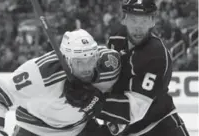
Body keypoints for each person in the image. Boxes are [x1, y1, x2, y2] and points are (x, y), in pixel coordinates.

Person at [0, 29, 121, 136]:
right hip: (36, 130)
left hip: (80, 128)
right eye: (79, 62)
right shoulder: (38, 73)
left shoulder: (109, 64)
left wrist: (108, 111)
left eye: (91, 59)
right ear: (66, 60)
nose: (87, 68)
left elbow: (125, 91)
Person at [81, 0, 190, 136]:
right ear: (124, 20)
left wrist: (89, 101)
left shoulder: (156, 55)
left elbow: (134, 110)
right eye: (133, 20)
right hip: (125, 130)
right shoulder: (116, 38)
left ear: (152, 22)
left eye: (144, 21)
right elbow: (111, 83)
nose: (138, 27)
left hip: (161, 128)